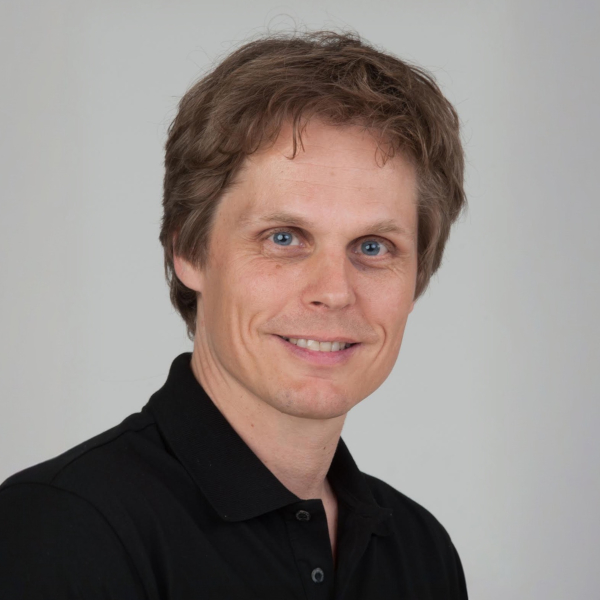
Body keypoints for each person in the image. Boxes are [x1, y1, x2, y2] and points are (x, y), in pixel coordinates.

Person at [0, 31, 468, 598]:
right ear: (190, 252)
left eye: (373, 247)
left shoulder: (421, 551)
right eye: (284, 237)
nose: (334, 292)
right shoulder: (64, 528)